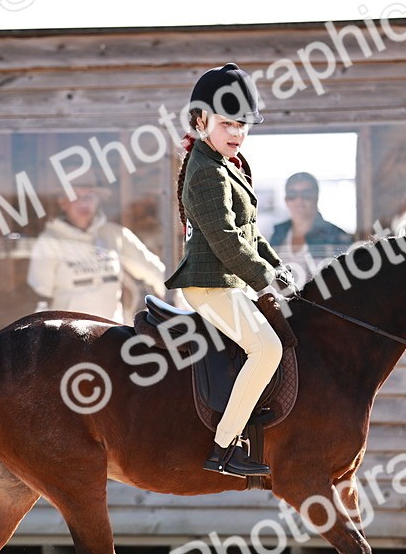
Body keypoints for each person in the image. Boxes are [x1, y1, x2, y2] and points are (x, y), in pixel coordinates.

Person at [165, 63, 292, 478]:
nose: (236, 133)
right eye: (226, 123)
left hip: (229, 280)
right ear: (200, 120)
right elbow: (226, 242)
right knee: (267, 349)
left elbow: (250, 234)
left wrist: (277, 267)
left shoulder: (228, 165)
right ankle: (224, 447)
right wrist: (264, 279)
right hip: (208, 285)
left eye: (242, 125)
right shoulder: (206, 173)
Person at [27, 180, 165, 323]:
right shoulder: (49, 242)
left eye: (89, 196)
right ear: (62, 202)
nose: (84, 203)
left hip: (112, 335)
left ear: (98, 200)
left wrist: (183, 308)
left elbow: (155, 272)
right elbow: (40, 296)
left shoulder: (115, 235)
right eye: (76, 197)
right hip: (67, 338)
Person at [269, 172, 349, 284]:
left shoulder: (336, 236)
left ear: (316, 197)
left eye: (306, 194)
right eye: (293, 194)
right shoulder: (278, 234)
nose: (299, 200)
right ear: (286, 200)